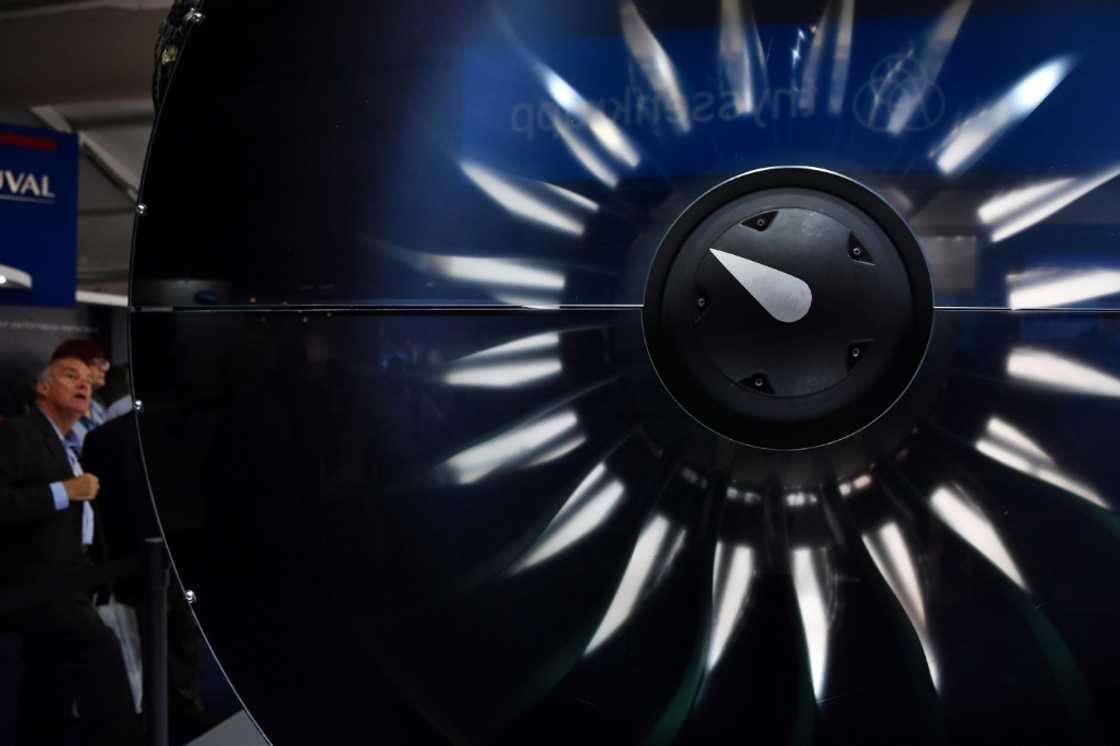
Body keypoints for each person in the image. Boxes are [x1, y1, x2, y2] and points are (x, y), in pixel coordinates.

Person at [0, 356, 141, 746]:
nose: (84, 384)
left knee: (49, 676)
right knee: (100, 651)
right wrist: (65, 491)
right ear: (43, 389)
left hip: (69, 578)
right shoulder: (18, 434)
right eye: (69, 376)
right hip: (37, 585)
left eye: (86, 379)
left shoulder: (68, 442)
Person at [49, 340, 111, 449]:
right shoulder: (59, 409)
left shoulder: (96, 407)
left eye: (104, 363)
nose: (103, 369)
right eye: (96, 363)